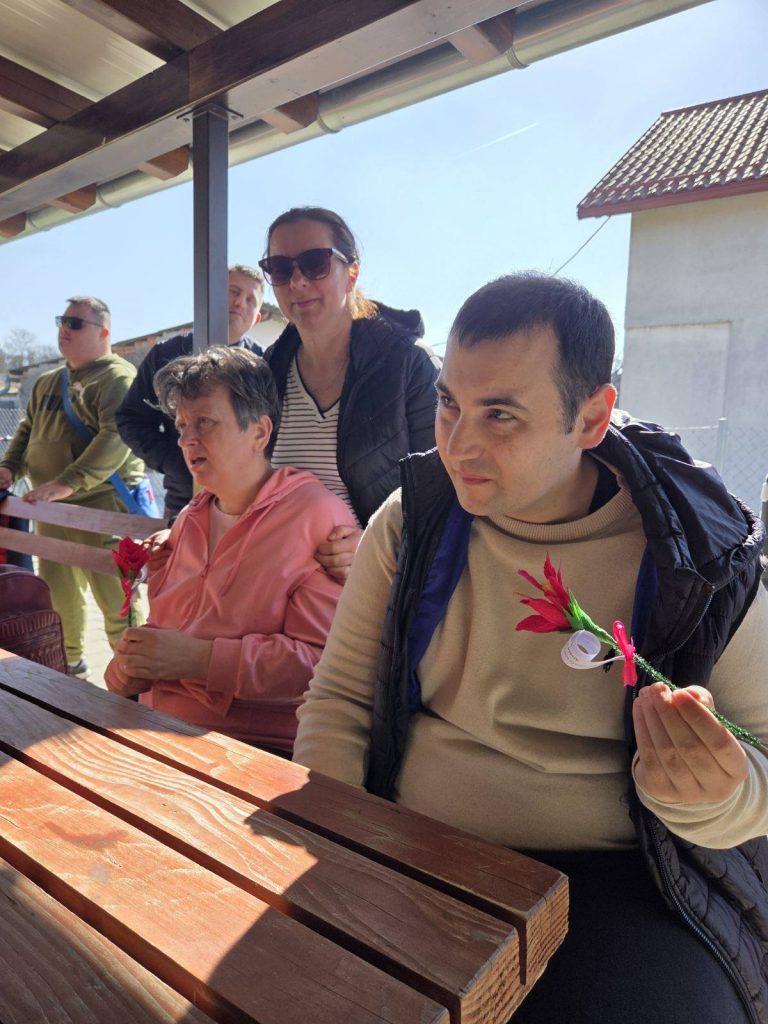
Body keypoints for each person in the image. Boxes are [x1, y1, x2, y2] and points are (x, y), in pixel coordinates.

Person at [292, 272, 768, 1022]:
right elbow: (341, 699)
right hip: (415, 848)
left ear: (592, 417)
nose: (457, 445)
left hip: (624, 884)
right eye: (449, 403)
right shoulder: (412, 521)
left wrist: (713, 795)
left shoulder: (704, 557)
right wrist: (336, 842)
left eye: (501, 414)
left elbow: (760, 771)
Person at [105, 346, 354, 754]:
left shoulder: (316, 516)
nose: (186, 439)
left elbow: (320, 664)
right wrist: (125, 671)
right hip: (153, 729)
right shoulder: (189, 518)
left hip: (248, 748)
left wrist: (201, 660)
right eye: (181, 425)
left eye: (204, 422)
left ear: (259, 433)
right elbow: (166, 631)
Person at [259, 207, 440, 580]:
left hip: (373, 591)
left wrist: (376, 545)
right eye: (280, 268)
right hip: (279, 587)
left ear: (351, 273)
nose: (297, 281)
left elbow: (446, 492)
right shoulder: (265, 374)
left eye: (315, 263)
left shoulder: (410, 365)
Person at [0, 296, 146, 677]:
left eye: (76, 323)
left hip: (103, 507)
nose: (64, 329)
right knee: (58, 599)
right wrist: (9, 468)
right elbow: (27, 430)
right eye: (62, 321)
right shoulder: (49, 381)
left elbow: (116, 436)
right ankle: (70, 673)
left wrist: (66, 483)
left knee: (118, 603)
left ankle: (136, 680)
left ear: (104, 332)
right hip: (50, 509)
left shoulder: (118, 378)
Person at [116, 265, 264, 518]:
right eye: (233, 291)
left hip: (249, 503)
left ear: (257, 318)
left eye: (251, 300)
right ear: (211, 296)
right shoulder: (166, 355)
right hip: (184, 500)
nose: (240, 302)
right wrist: (177, 462)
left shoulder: (262, 363)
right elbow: (131, 419)